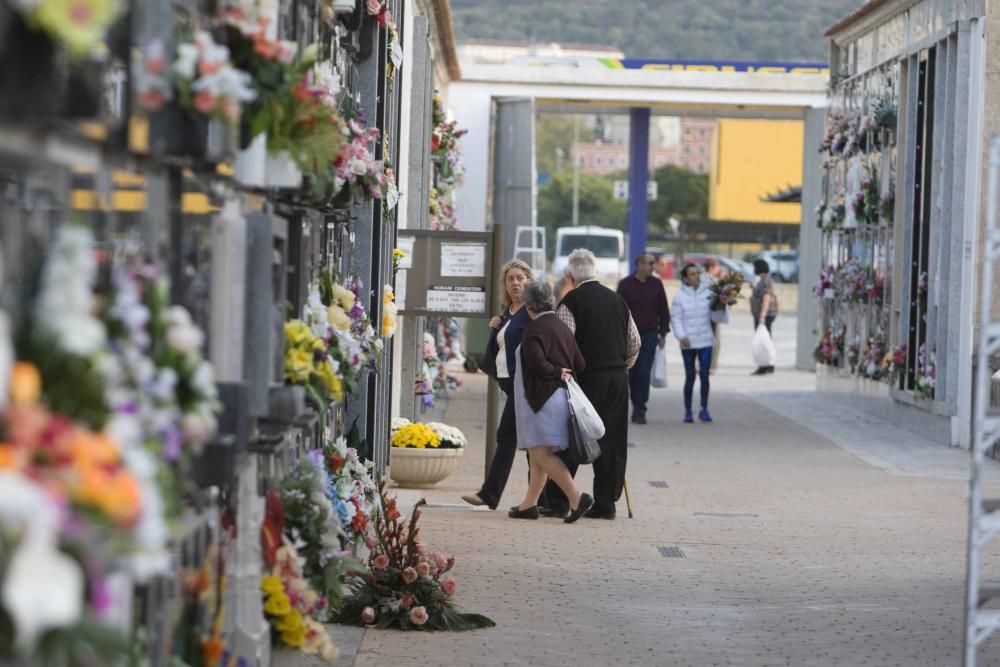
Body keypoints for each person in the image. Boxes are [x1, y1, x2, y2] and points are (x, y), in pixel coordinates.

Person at [541, 249, 640, 521]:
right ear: (595, 271)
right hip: (618, 377)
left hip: (586, 378)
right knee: (612, 438)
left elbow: (563, 343)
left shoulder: (571, 301)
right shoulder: (618, 300)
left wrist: (564, 374)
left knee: (573, 433)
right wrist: (621, 366)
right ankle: (607, 502)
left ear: (570, 275)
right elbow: (635, 342)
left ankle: (559, 499)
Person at [508, 281, 594, 523]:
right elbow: (581, 364)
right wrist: (562, 371)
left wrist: (555, 371)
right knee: (539, 453)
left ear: (529, 304)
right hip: (559, 398)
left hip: (541, 400)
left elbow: (536, 362)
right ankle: (529, 505)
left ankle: (577, 497)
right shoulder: (561, 326)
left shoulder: (533, 329)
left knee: (542, 454)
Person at [462, 260, 533, 510]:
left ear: (528, 281)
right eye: (510, 279)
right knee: (531, 444)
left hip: (525, 386)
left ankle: (491, 494)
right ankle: (547, 499)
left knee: (508, 437)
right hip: (511, 385)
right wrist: (497, 325)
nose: (515, 283)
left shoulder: (532, 311)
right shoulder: (508, 311)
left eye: (519, 278)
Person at [617, 253, 670, 424]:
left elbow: (663, 309)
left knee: (644, 372)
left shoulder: (656, 284)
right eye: (649, 263)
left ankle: (640, 409)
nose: (652, 266)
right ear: (639, 264)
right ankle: (634, 401)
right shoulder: (625, 285)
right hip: (630, 336)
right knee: (632, 372)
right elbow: (618, 311)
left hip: (649, 334)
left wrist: (663, 333)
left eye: (653, 263)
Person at [672, 263, 715, 423]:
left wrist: (722, 303)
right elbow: (675, 318)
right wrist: (681, 336)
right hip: (688, 343)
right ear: (685, 278)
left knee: (705, 376)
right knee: (690, 376)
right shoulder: (679, 297)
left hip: (705, 341)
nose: (696, 276)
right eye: (692, 274)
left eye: (697, 273)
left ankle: (704, 409)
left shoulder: (709, 293)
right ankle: (688, 410)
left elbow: (716, 315)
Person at [750, 258, 777, 375]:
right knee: (766, 340)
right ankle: (769, 364)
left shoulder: (765, 281)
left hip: (763, 314)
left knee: (762, 342)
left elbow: (766, 299)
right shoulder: (766, 280)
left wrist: (762, 316)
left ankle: (763, 366)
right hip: (767, 314)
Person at [701, 257, 724, 372]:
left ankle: (710, 365)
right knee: (712, 340)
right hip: (709, 314)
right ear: (711, 267)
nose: (718, 269)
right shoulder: (706, 280)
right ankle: (710, 366)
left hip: (713, 313)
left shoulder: (711, 279)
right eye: (717, 267)